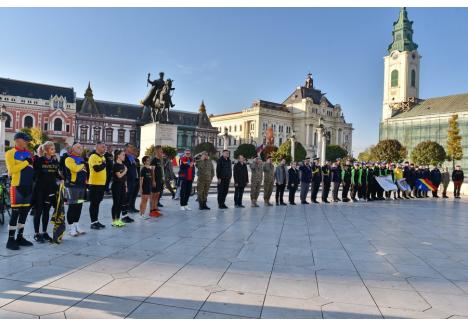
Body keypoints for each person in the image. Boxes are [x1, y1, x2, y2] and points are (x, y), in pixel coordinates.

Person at [5, 132, 35, 250]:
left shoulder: (28, 153)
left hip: (28, 187)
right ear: (17, 140)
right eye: (25, 139)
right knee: (15, 214)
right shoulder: (10, 153)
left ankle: (20, 237)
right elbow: (11, 170)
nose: (27, 142)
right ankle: (10, 240)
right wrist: (26, 162)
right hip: (17, 187)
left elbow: (31, 169)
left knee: (24, 214)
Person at [32, 141, 62, 243]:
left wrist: (62, 179)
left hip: (50, 190)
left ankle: (44, 232)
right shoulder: (39, 160)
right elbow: (35, 175)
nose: (54, 150)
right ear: (46, 150)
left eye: (54, 148)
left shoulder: (55, 161)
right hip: (40, 190)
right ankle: (36, 233)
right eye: (51, 148)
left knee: (46, 212)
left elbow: (56, 174)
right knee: (38, 212)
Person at [64, 143, 88, 237]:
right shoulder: (69, 159)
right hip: (72, 186)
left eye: (81, 147)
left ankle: (76, 225)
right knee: (72, 207)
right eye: (78, 147)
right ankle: (71, 228)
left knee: (79, 206)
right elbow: (74, 169)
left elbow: (85, 172)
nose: (80, 148)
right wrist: (82, 165)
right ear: (72, 149)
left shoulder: (81, 159)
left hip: (82, 186)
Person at [88, 142, 108, 229]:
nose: (104, 148)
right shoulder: (93, 156)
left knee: (97, 203)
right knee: (93, 203)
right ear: (97, 147)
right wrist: (104, 164)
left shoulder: (103, 157)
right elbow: (96, 169)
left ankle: (96, 221)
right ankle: (93, 223)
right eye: (103, 147)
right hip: (94, 184)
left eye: (105, 147)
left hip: (101, 184)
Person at [110, 150, 128, 227]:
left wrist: (126, 186)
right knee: (116, 203)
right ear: (118, 156)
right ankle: (114, 221)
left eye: (124, 155)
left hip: (122, 186)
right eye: (123, 155)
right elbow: (119, 176)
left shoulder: (123, 165)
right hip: (116, 186)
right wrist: (125, 170)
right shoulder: (115, 165)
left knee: (120, 203)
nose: (124, 156)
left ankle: (118, 219)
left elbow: (124, 178)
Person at [123, 144, 139, 213]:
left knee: (134, 194)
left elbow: (134, 167)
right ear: (126, 148)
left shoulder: (132, 157)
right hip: (128, 179)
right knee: (128, 194)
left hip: (135, 178)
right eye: (130, 147)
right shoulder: (124, 157)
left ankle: (132, 207)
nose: (132, 148)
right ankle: (127, 208)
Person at [150, 145, 164, 217]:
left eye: (161, 151)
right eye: (160, 151)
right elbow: (152, 171)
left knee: (157, 195)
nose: (162, 152)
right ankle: (152, 211)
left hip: (159, 180)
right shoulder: (154, 160)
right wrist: (153, 181)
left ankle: (155, 209)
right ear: (157, 151)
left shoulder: (159, 160)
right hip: (155, 181)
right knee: (154, 196)